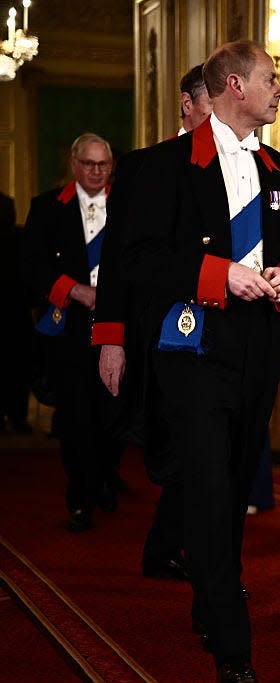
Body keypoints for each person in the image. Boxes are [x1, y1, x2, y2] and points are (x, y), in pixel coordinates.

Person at [119, 41, 280, 683]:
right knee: (206, 485)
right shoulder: (163, 167)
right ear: (234, 85)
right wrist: (219, 276)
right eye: (272, 81)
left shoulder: (278, 166)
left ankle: (208, 598)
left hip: (259, 345)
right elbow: (138, 262)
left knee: (231, 481)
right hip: (194, 346)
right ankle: (234, 650)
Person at [92, 63, 214, 583]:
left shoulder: (253, 166)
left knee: (207, 452)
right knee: (173, 451)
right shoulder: (144, 167)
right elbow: (118, 264)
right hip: (155, 331)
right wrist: (111, 340)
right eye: (211, 102)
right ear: (188, 103)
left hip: (220, 332)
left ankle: (198, 559)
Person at [21, 133, 124, 532]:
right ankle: (80, 497)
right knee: (77, 415)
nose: (97, 172)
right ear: (74, 164)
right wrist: (76, 291)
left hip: (117, 326)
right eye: (89, 164)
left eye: (104, 164)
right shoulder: (48, 208)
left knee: (113, 412)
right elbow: (30, 267)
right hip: (72, 327)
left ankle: (105, 478)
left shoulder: (128, 205)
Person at [0, 190, 33, 434]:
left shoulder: (22, 238)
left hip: (17, 312)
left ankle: (14, 415)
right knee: (18, 368)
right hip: (18, 313)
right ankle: (17, 415)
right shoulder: (21, 237)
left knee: (18, 367)